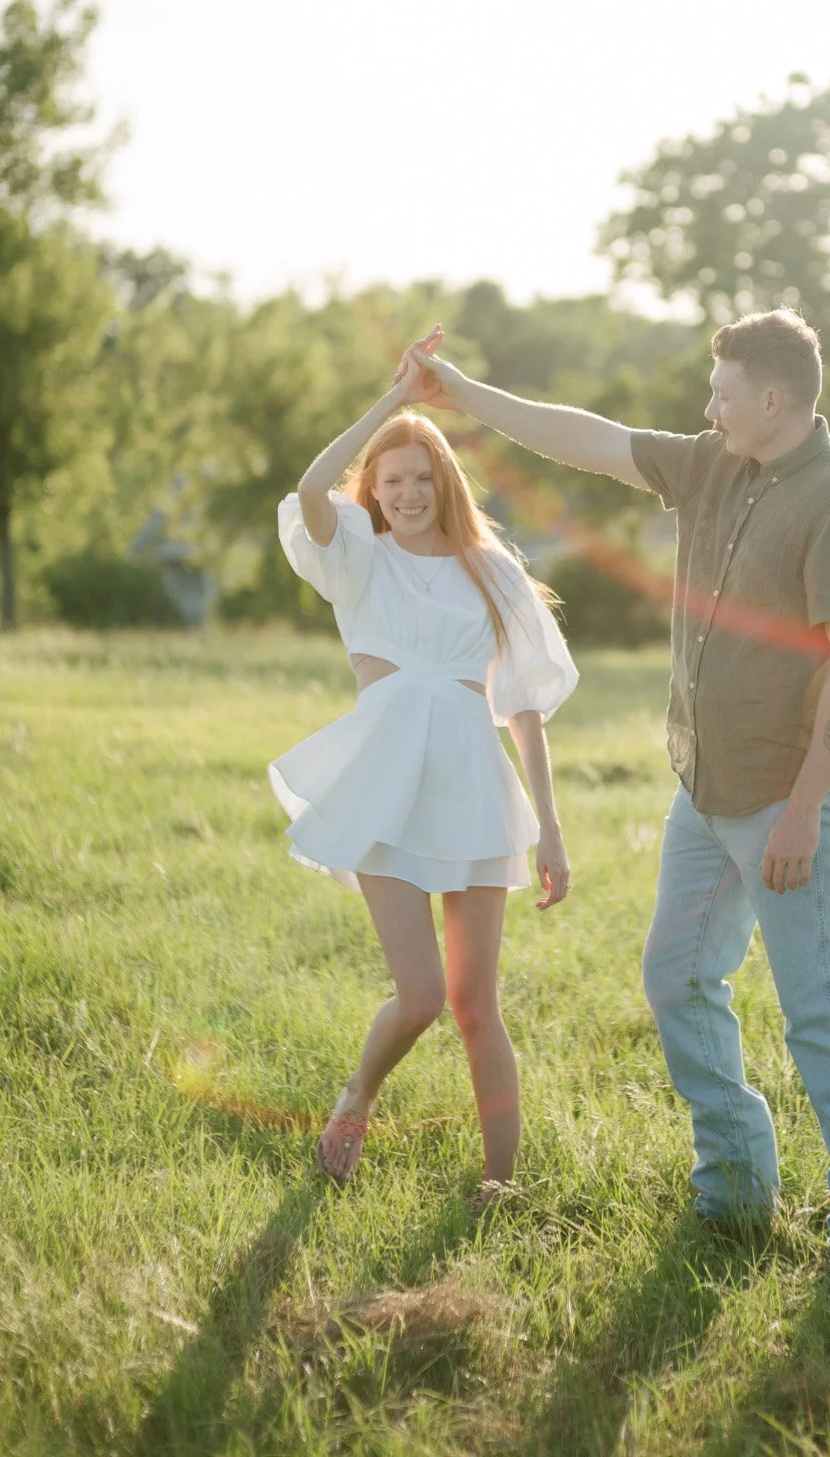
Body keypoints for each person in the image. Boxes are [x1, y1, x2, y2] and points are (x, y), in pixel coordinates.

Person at [400, 308, 830, 1258]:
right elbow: (585, 438)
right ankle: (735, 1193)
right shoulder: (713, 463)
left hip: (786, 801)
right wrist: (462, 395)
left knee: (822, 1011)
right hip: (704, 793)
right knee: (676, 979)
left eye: (720, 393)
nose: (704, 407)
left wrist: (806, 809)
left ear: (770, 398)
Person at [269, 355, 577, 1197]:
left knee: (478, 1004)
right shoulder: (359, 557)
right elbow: (308, 488)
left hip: (474, 794)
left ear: (444, 481)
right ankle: (356, 1098)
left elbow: (524, 710)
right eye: (390, 479)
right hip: (384, 791)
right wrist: (395, 402)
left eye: (420, 477)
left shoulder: (493, 571)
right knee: (420, 997)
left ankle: (499, 1183)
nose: (406, 493)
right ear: (375, 487)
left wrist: (549, 827)